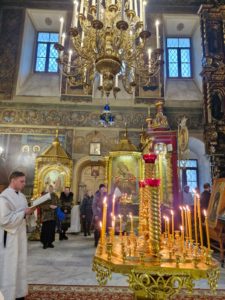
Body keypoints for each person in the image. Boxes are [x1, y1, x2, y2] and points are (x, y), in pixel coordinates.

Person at [0, 171, 35, 300]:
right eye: (22, 181)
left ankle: (19, 293)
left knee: (20, 265)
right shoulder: (4, 197)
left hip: (20, 236)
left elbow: (24, 214)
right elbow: (4, 220)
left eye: (24, 181)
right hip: (9, 238)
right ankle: (7, 295)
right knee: (9, 267)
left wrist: (30, 212)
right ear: (13, 180)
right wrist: (23, 213)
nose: (24, 184)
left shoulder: (22, 196)